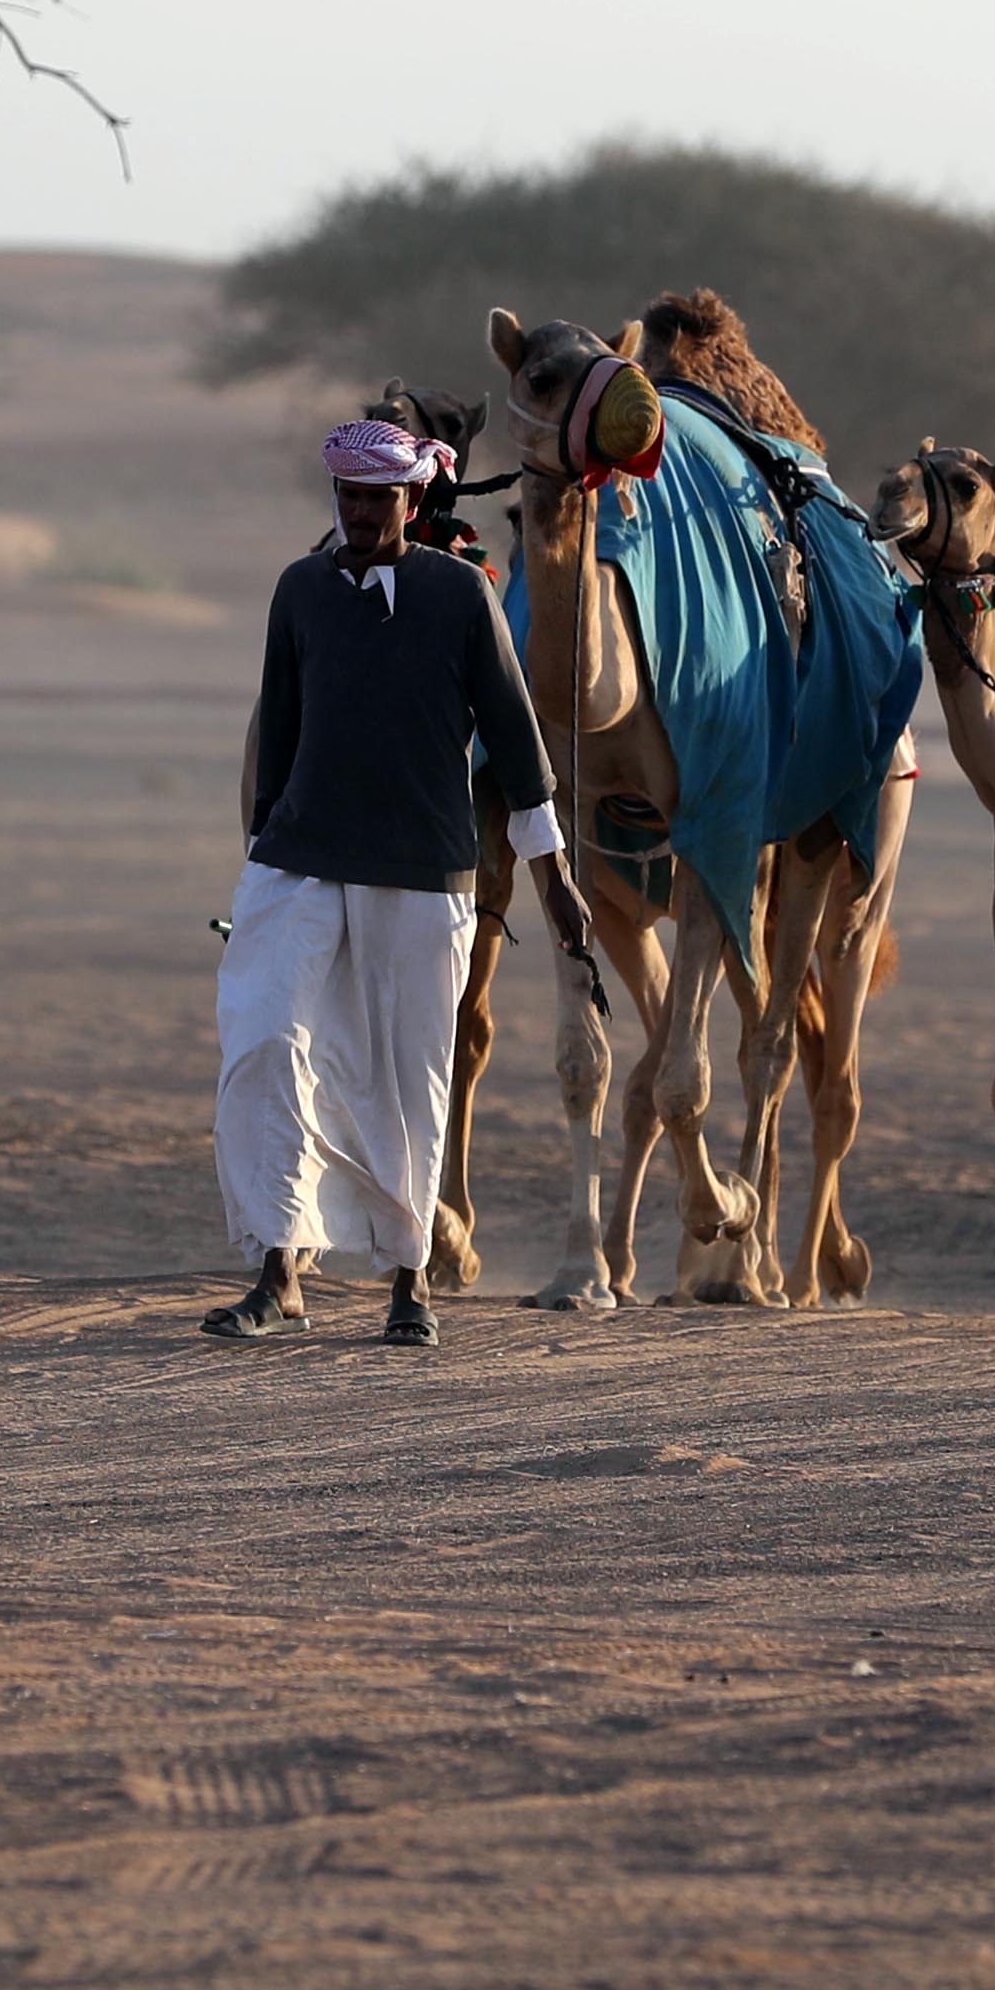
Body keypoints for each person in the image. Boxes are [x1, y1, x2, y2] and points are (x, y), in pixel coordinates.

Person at [210, 417, 591, 1346]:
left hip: (423, 873)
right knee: (268, 1050)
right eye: (347, 495)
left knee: (407, 1075)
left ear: (412, 502)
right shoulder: (299, 590)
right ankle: (276, 1272)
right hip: (299, 864)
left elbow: (516, 741)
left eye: (378, 497)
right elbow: (282, 732)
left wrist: (556, 878)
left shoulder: (461, 596)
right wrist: (261, 861)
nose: (360, 513)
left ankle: (410, 1281)